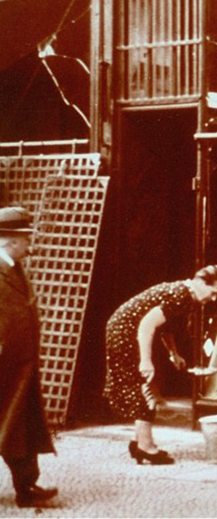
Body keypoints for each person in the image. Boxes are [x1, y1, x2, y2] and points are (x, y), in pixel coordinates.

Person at [103, 264, 217, 465]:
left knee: (145, 385)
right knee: (144, 385)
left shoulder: (187, 296)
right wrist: (145, 361)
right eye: (213, 293)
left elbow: (165, 326)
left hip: (128, 330)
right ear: (201, 283)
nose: (213, 299)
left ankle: (139, 440)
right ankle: (145, 447)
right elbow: (147, 325)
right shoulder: (181, 295)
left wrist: (173, 353)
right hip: (125, 332)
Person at [0, 207, 59, 508]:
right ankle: (26, 486)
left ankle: (26, 487)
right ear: (11, 240)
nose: (29, 244)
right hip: (4, 367)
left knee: (20, 427)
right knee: (10, 426)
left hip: (20, 367)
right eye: (25, 238)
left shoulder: (15, 268)